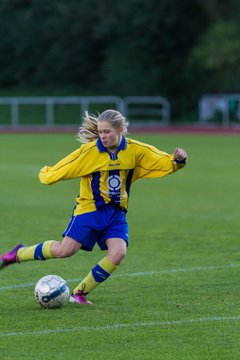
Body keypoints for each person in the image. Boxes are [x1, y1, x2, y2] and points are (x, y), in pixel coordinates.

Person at [0, 109, 187, 305]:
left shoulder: (135, 150)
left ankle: (79, 293)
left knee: (118, 253)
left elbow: (161, 160)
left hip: (116, 212)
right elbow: (65, 167)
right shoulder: (90, 152)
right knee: (65, 251)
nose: (103, 136)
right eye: (100, 132)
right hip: (89, 210)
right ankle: (18, 253)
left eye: (107, 132)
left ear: (121, 129)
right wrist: (47, 175)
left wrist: (177, 161)